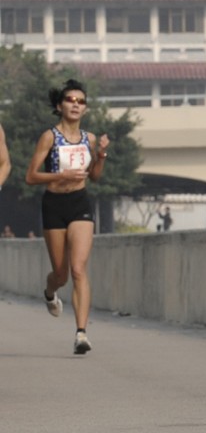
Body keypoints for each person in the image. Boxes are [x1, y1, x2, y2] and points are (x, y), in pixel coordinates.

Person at [26, 79, 110, 356]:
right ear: (60, 106)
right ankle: (50, 292)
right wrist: (61, 175)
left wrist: (101, 156)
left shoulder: (90, 138)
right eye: (70, 100)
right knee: (61, 274)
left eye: (81, 101)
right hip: (54, 204)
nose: (75, 104)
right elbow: (30, 176)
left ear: (85, 109)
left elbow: (95, 177)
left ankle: (81, 333)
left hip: (79, 203)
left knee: (78, 269)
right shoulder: (49, 136)